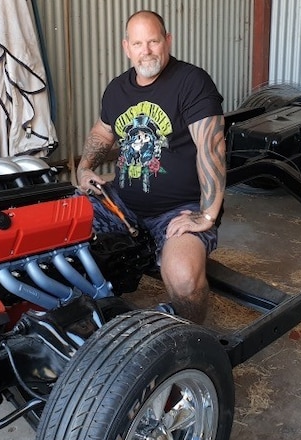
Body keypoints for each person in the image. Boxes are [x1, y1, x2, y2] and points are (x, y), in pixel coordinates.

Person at [76, 10, 226, 324]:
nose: (146, 50)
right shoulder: (117, 89)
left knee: (184, 279)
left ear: (167, 41)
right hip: (121, 203)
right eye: (138, 43)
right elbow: (103, 133)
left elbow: (211, 147)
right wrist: (84, 167)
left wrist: (207, 214)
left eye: (154, 41)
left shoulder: (191, 81)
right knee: (58, 236)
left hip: (178, 209)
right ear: (126, 47)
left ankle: (192, 340)